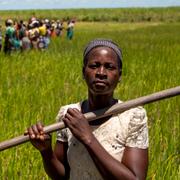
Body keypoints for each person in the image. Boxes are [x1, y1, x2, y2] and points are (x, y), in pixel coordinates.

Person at [26, 38, 149, 180]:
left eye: (109, 67)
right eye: (94, 65)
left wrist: (88, 137)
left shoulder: (132, 116)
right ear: (83, 72)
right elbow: (63, 176)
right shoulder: (69, 114)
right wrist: (46, 151)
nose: (101, 72)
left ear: (119, 75)